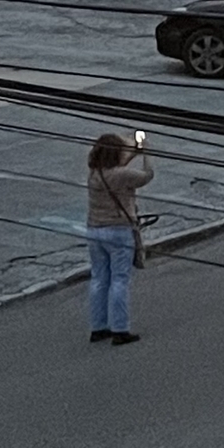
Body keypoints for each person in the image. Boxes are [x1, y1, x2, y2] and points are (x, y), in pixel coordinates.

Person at [85, 132, 152, 346]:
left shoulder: (95, 173)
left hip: (94, 230)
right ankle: (120, 329)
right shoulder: (122, 175)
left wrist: (134, 150)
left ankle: (98, 327)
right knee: (119, 280)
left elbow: (119, 164)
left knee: (98, 279)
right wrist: (146, 153)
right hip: (118, 231)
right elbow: (147, 175)